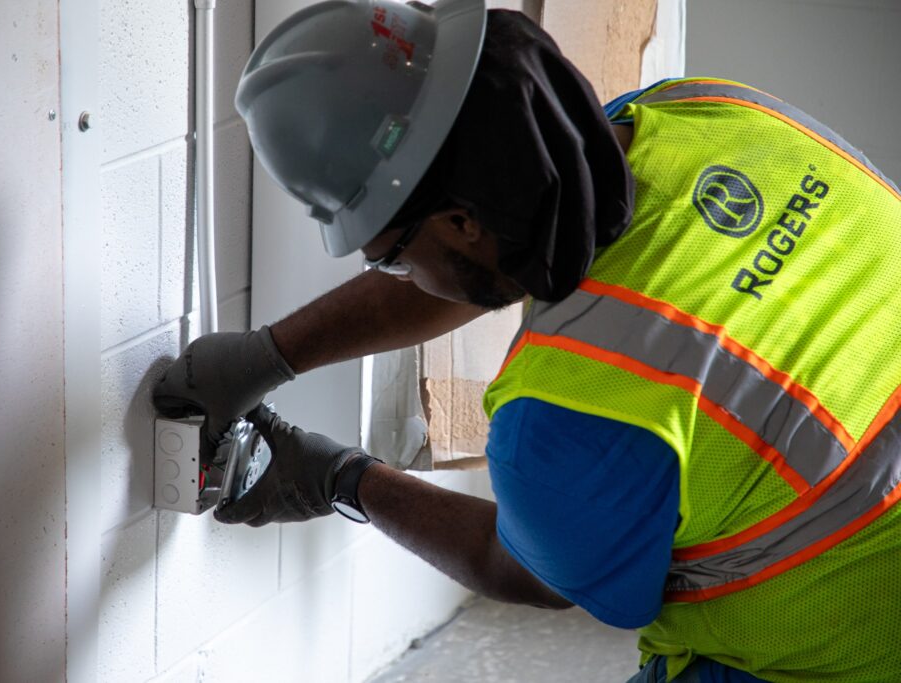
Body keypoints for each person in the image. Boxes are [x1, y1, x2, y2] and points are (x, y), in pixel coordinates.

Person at [153, 2, 901, 681]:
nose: (397, 275)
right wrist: (272, 352)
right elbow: (505, 237)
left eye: (389, 256)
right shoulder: (705, 114)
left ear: (463, 225)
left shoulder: (570, 414)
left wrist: (342, 479)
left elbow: (518, 565)